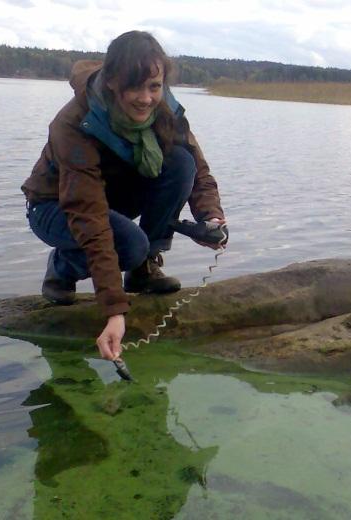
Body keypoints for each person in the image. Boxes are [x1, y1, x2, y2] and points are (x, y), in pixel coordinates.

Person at [21, 31, 225, 363]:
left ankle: (144, 269)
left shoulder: (165, 110)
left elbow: (197, 168)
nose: (146, 98)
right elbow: (88, 213)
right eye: (135, 87)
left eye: (154, 87)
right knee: (129, 244)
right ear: (113, 82)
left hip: (111, 197)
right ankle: (63, 265)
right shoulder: (74, 122)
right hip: (55, 206)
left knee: (180, 162)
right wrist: (115, 310)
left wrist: (210, 217)